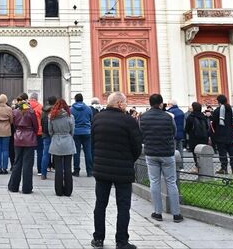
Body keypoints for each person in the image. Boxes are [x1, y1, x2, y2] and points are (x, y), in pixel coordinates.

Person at [91, 92, 142, 249]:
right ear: (120, 104)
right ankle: (121, 241)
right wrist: (129, 160)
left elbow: (93, 142)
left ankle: (98, 238)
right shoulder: (128, 121)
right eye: (125, 103)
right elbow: (137, 146)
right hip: (123, 170)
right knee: (123, 206)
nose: (126, 106)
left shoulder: (97, 118)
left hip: (102, 168)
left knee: (100, 204)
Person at [140, 94, 184, 223]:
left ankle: (157, 212)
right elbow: (174, 132)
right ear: (161, 104)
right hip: (167, 152)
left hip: (151, 152)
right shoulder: (168, 117)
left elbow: (141, 133)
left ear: (149, 103)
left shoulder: (143, 117)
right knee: (171, 182)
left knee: (154, 182)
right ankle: (176, 214)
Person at [8, 96, 39, 194]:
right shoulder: (31, 112)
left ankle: (13, 186)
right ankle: (27, 188)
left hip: (18, 137)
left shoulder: (15, 112)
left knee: (17, 162)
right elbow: (36, 127)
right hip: (29, 138)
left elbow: (14, 125)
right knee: (28, 164)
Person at [48, 99, 75, 196]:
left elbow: (50, 131)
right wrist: (67, 136)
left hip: (56, 141)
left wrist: (55, 136)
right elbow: (72, 131)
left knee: (58, 168)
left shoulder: (51, 117)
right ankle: (68, 191)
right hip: (67, 141)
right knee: (68, 168)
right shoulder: (70, 116)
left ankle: (58, 191)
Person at [211, 95, 233, 175]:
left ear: (219, 101)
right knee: (232, 153)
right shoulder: (231, 110)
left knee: (222, 153)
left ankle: (224, 168)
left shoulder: (217, 111)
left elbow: (214, 123)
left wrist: (215, 132)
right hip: (230, 135)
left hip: (221, 134)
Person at [71, 93, 93, 177]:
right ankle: (89, 171)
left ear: (75, 100)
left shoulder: (72, 109)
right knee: (88, 152)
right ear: (82, 99)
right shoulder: (88, 109)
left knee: (76, 152)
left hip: (76, 132)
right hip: (87, 132)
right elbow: (91, 119)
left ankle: (76, 170)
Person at [0, 94, 14, 174]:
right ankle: (5, 168)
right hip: (6, 130)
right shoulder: (9, 109)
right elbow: (11, 120)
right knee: (5, 150)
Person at [184, 102, 209, 172]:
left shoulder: (191, 117)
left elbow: (187, 129)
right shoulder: (203, 116)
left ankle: (198, 167)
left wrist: (190, 133)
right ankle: (205, 168)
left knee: (195, 154)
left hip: (194, 138)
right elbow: (207, 127)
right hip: (204, 138)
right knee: (203, 153)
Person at [40, 96, 57, 180]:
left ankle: (43, 174)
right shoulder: (55, 111)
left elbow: (41, 121)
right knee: (57, 154)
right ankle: (58, 173)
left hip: (45, 134)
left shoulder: (44, 111)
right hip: (54, 134)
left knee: (45, 154)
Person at [28, 93, 44, 175]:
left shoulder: (26, 106)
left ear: (30, 98)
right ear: (37, 99)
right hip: (39, 131)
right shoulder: (40, 107)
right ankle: (40, 170)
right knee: (40, 151)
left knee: (29, 152)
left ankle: (28, 169)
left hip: (29, 131)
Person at [167, 100, 186, 164]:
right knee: (180, 150)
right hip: (180, 133)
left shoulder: (169, 112)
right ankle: (181, 165)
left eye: (168, 104)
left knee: (173, 150)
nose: (167, 105)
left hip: (172, 134)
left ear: (171, 105)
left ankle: (174, 164)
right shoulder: (181, 111)